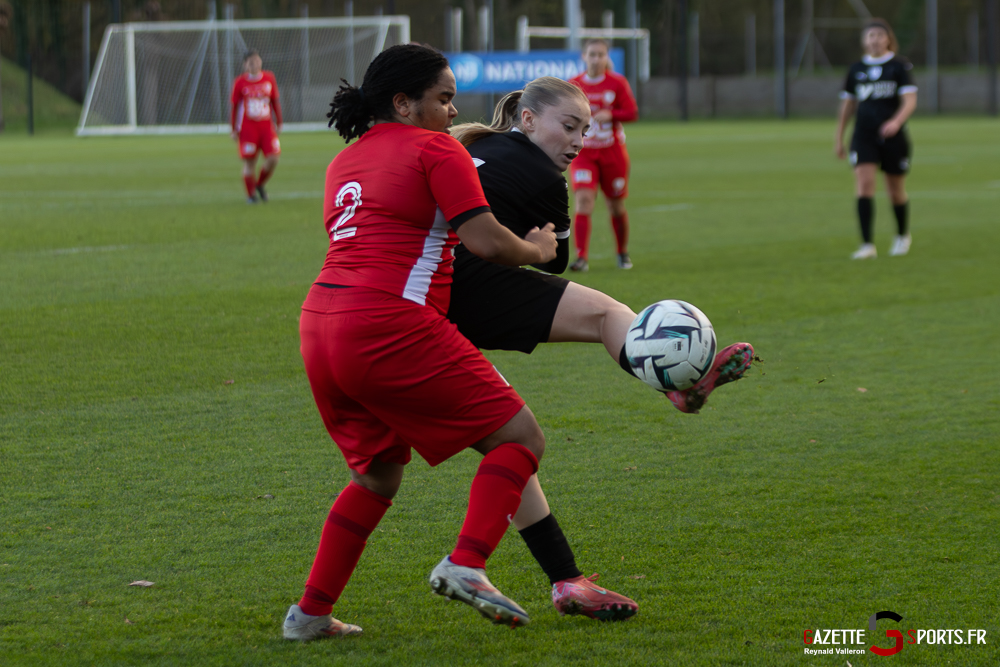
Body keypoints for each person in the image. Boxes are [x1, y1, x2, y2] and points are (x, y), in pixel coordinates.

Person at [448, 78, 755, 620]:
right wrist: (536, 240)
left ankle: (566, 581)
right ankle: (675, 386)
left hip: (425, 294)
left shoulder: (469, 146)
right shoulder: (544, 176)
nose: (576, 142)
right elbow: (554, 261)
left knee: (508, 445)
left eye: (584, 132)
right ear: (526, 120)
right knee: (607, 314)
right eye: (568, 127)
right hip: (475, 288)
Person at [282, 44, 560, 642]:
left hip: (320, 324)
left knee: (378, 474)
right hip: (388, 322)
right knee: (520, 437)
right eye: (442, 97)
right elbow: (485, 242)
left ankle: (309, 614)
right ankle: (467, 562)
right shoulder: (437, 147)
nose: (452, 109)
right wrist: (538, 250)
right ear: (403, 103)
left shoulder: (344, 162)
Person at [834, 18, 917, 259]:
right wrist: (839, 137)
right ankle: (867, 245)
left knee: (895, 189)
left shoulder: (899, 67)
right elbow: (848, 105)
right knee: (864, 184)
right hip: (863, 135)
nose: (875, 40)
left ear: (888, 39)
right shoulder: (856, 70)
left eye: (880, 35)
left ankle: (902, 236)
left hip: (893, 137)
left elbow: (910, 100)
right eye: (870, 36)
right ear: (864, 41)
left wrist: (896, 122)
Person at [567, 39, 639, 272]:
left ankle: (621, 252)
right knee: (584, 201)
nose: (596, 59)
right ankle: (581, 257)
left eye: (601, 54)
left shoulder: (617, 83)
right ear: (583, 56)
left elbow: (632, 112)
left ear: (607, 57)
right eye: (592, 54)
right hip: (584, 153)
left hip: (612, 153)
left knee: (616, 206)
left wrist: (612, 114)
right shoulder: (574, 85)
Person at [230, 49, 282, 204]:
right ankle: (251, 195)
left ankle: (259, 184)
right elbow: (234, 106)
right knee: (250, 163)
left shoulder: (269, 78)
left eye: (257, 60)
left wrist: (279, 122)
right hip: (248, 128)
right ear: (245, 65)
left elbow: (275, 101)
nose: (255, 64)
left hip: (266, 127)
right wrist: (233, 129)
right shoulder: (240, 82)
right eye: (251, 62)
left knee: (273, 157)